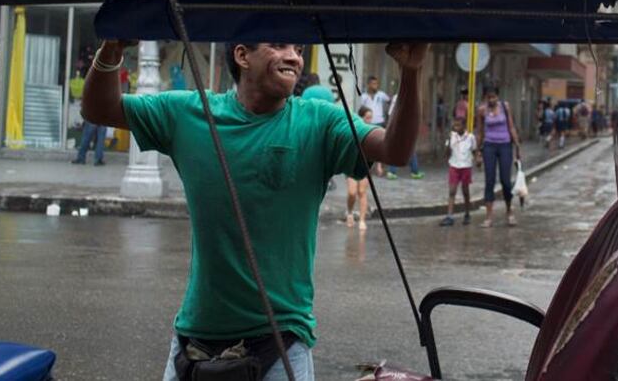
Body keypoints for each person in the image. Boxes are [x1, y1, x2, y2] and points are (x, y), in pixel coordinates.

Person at [81, 39, 427, 380]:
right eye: (278, 45)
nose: (293, 56)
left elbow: (395, 150)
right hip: (194, 339)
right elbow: (99, 109)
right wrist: (111, 49)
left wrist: (410, 74)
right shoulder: (187, 113)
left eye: (299, 50)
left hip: (281, 342)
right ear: (242, 55)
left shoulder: (320, 121)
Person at [475, 85, 521, 227]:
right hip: (489, 146)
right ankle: (488, 216)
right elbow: (480, 132)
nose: (491, 100)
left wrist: (517, 145)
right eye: (489, 97)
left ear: (498, 96)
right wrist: (478, 151)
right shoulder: (482, 110)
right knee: (489, 180)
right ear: (485, 98)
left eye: (494, 97)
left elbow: (511, 126)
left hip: (505, 146)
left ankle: (509, 211)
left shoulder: (505, 107)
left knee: (505, 181)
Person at [440, 117, 477, 226]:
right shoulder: (451, 137)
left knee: (465, 191)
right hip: (454, 165)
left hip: (466, 166)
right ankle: (449, 215)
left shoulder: (470, 137)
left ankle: (467, 213)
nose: (456, 128)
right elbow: (447, 153)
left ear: (464, 126)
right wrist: (448, 143)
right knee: (452, 191)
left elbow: (474, 150)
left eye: (458, 125)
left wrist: (478, 159)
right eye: (455, 126)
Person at [343, 106, 375, 231]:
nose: (369, 120)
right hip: (351, 163)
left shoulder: (372, 130)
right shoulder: (354, 129)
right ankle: (350, 212)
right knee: (352, 192)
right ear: (361, 117)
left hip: (365, 164)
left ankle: (362, 219)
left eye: (371, 118)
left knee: (362, 191)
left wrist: (377, 165)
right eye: (367, 117)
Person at [386, 92, 424, 179]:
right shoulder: (400, 97)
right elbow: (391, 113)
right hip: (401, 126)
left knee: (408, 148)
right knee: (405, 148)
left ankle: (414, 171)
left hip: (404, 126)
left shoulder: (411, 96)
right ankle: (394, 171)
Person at [359, 76, 391, 177]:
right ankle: (367, 166)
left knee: (380, 145)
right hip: (368, 123)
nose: (375, 86)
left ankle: (379, 167)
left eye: (376, 84)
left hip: (379, 122)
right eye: (373, 84)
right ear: (368, 84)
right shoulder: (363, 96)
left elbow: (390, 100)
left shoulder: (381, 95)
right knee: (367, 145)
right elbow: (361, 109)